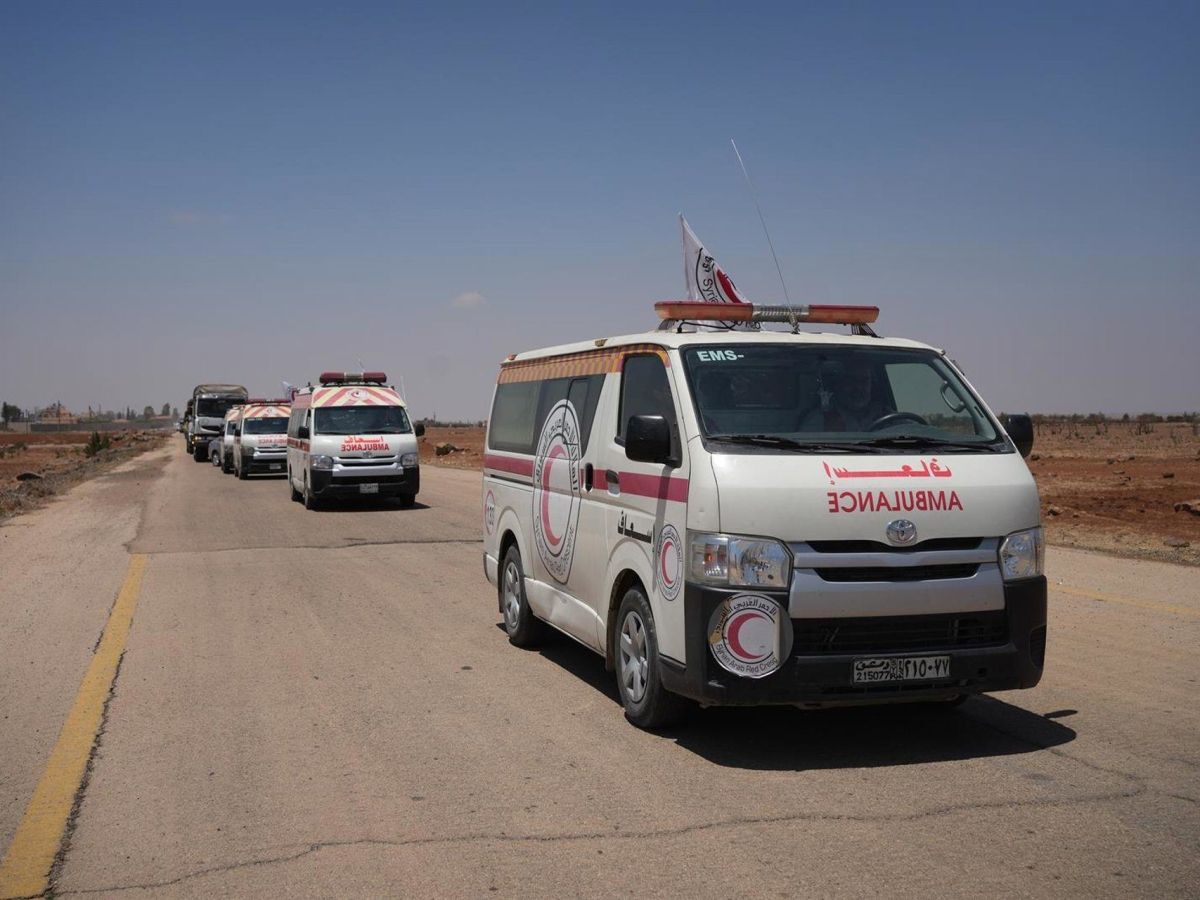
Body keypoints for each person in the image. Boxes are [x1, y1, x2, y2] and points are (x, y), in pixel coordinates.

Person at [802, 358, 891, 432]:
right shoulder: (821, 419)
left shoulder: (886, 415)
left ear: (872, 385)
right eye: (851, 381)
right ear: (838, 385)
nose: (859, 387)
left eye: (864, 381)